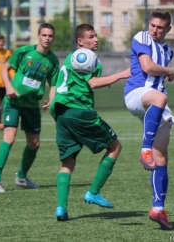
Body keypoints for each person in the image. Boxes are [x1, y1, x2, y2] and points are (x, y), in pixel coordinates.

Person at [49, 24, 131, 221]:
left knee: (67, 162)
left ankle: (61, 208)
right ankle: (93, 192)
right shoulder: (84, 57)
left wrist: (51, 103)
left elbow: (62, 84)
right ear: (80, 41)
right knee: (115, 146)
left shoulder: (70, 57)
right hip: (79, 112)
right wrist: (122, 74)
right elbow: (92, 83)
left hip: (62, 113)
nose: (96, 39)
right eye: (91, 36)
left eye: (96, 36)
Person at [0, 23, 59, 193]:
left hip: (32, 106)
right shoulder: (24, 51)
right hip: (13, 102)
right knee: (9, 138)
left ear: (53, 38)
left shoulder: (53, 61)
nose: (47, 39)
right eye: (44, 35)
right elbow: (5, 70)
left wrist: (52, 101)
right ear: (38, 36)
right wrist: (9, 87)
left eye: (50, 36)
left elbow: (53, 85)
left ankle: (21, 177)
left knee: (34, 144)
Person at [123, 9, 174, 230]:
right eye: (152, 25)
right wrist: (168, 71)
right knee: (160, 96)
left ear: (168, 29)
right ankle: (144, 150)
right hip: (136, 94)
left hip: (156, 103)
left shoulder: (168, 51)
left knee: (161, 156)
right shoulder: (141, 37)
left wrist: (167, 70)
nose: (154, 30)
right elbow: (147, 67)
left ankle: (158, 208)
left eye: (159, 27)